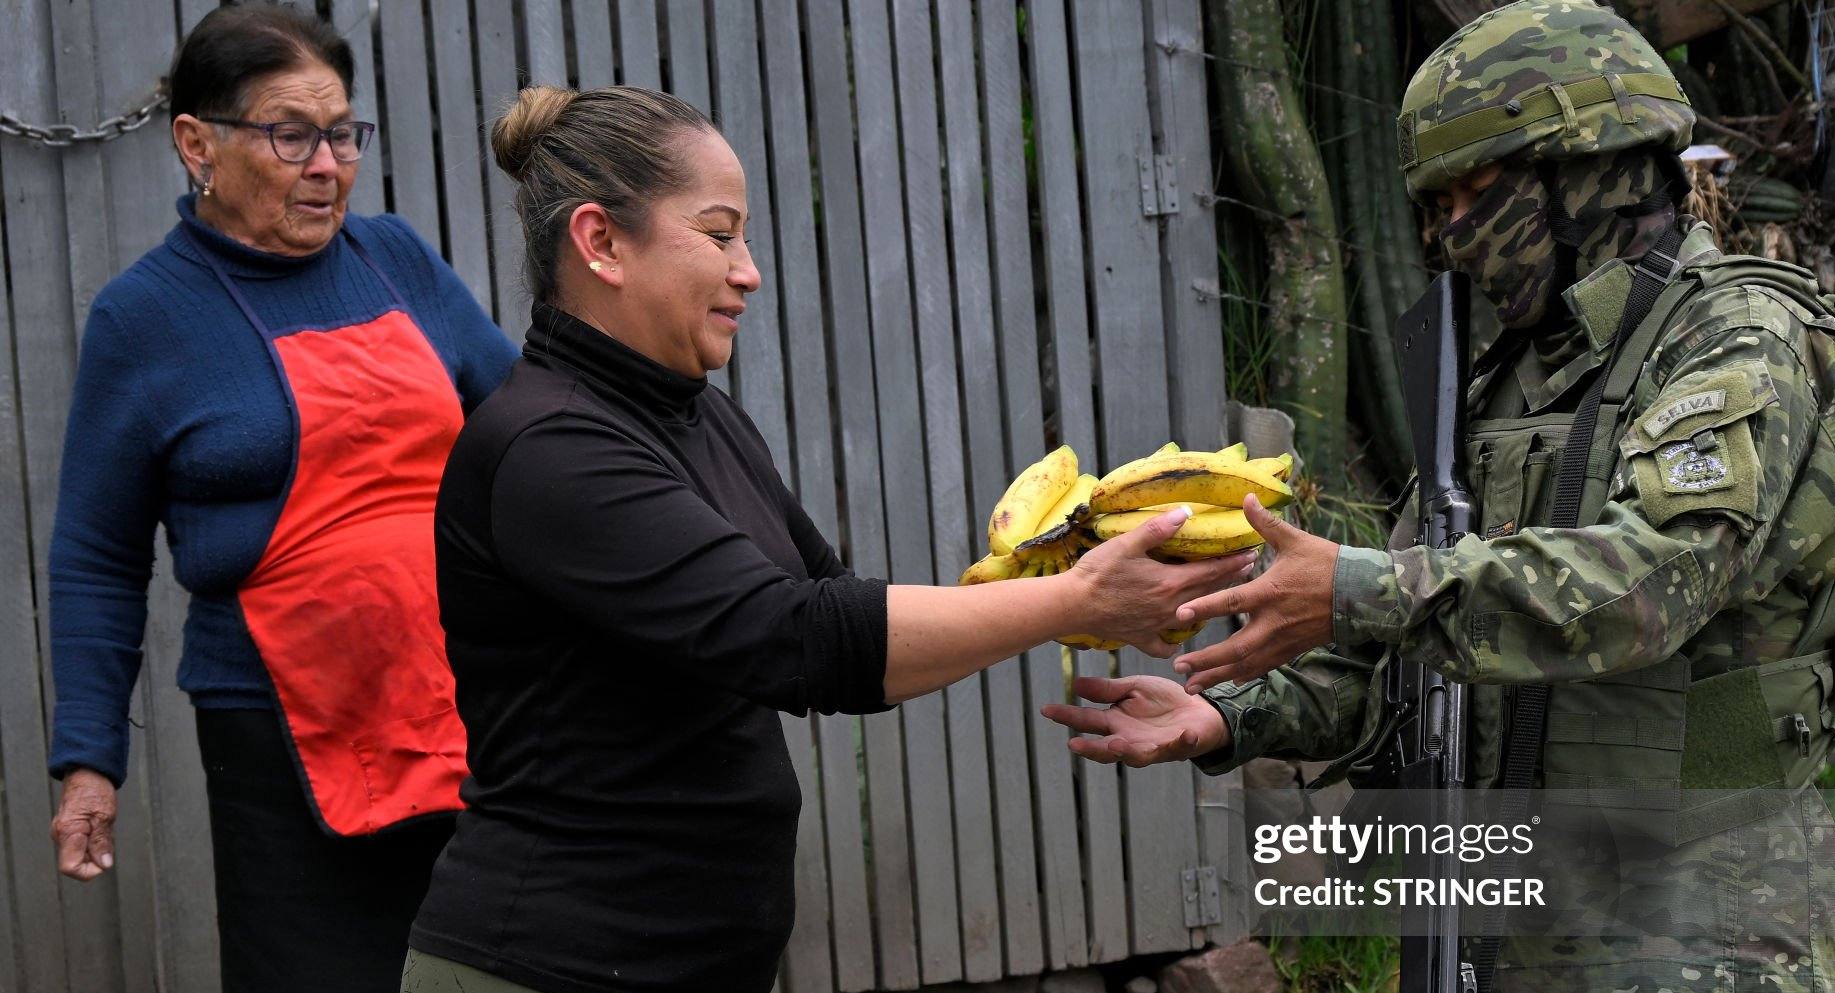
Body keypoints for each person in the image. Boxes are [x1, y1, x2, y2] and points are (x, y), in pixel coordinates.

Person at [1043, 3, 1835, 991]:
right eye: (1432, 204)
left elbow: (1649, 586)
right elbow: (1407, 656)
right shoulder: (1505, 382)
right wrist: (1229, 711)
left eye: (1470, 190)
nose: (1445, 234)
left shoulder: (1738, 336)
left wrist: (1359, 587)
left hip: (1697, 930)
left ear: (1587, 168)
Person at [397, 84, 1249, 993]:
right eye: (719, 233)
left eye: (746, 237)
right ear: (601, 241)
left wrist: (1079, 582)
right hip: (547, 963)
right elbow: (796, 640)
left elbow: (840, 615)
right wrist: (1076, 601)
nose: (749, 269)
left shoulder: (702, 422)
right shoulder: (551, 447)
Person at [44, 6, 518, 991]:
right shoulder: (144, 318)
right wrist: (89, 761)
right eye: (290, 134)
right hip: (278, 737)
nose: (327, 164)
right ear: (195, 143)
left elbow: (528, 436)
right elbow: (97, 555)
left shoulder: (397, 260)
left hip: (467, 702)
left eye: (342, 133)